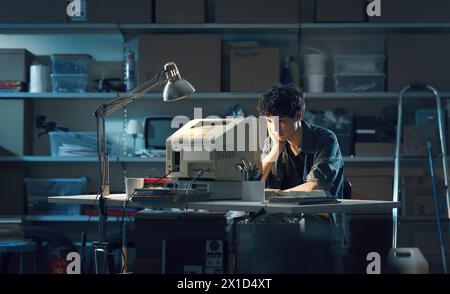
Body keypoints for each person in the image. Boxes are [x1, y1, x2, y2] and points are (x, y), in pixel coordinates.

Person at [258, 84, 344, 198]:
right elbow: (257, 183)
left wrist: (278, 195)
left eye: (281, 121)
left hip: (317, 213)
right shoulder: (271, 142)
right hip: (279, 213)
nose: (275, 129)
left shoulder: (325, 139)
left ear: (298, 115)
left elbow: (316, 186)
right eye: (269, 121)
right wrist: (276, 149)